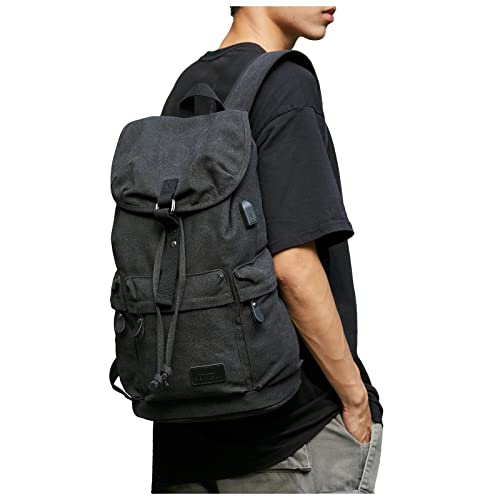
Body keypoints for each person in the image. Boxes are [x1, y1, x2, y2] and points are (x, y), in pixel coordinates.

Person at [152, 6, 384, 494]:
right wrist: (355, 398)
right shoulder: (284, 84)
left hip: (188, 436)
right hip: (289, 435)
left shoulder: (186, 87)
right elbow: (293, 266)